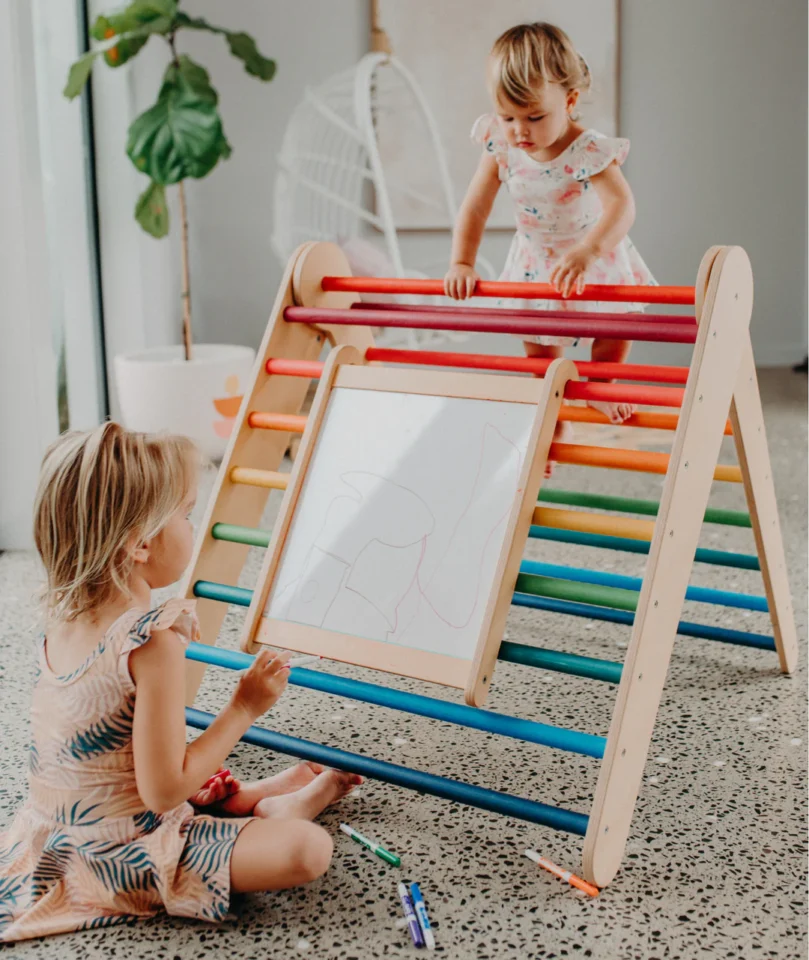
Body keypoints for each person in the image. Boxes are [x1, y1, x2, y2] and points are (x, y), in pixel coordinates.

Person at [0, 423, 360, 941]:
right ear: (141, 543)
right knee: (307, 850)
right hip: (122, 853)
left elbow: (118, 752)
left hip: (51, 838)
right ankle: (282, 809)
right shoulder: (152, 641)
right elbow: (164, 788)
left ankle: (253, 799)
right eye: (187, 514)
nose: (194, 526)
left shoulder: (65, 620)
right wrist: (244, 707)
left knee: (201, 779)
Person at [445, 22, 656, 470]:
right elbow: (475, 207)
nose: (519, 130)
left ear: (570, 101)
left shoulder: (587, 149)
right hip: (535, 257)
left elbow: (621, 206)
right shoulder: (499, 145)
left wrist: (589, 252)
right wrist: (462, 261)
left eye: (534, 117)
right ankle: (555, 415)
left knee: (616, 325)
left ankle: (603, 385)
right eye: (508, 117)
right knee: (539, 347)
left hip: (591, 249)